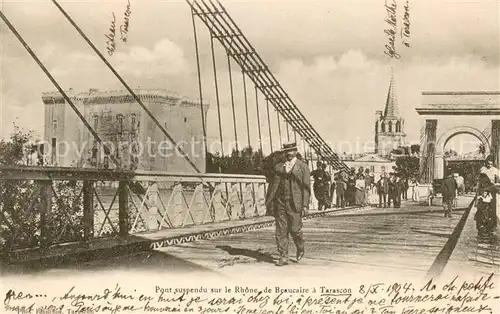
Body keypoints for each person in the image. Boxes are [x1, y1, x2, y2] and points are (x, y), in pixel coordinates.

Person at [265, 142, 311, 267]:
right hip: (280, 202)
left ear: (296, 151)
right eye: (287, 151)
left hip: (295, 203)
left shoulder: (303, 167)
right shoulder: (279, 166)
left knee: (295, 230)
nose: (289, 153)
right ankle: (283, 256)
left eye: (291, 151)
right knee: (281, 231)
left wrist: (305, 205)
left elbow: (306, 188)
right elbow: (272, 182)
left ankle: (300, 246)